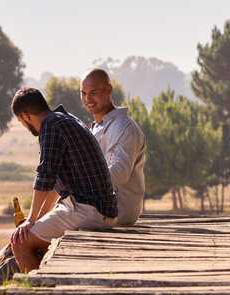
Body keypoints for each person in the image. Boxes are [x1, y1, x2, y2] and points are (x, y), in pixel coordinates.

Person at [9, 87, 118, 272]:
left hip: (87, 209)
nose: (25, 126)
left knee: (21, 243)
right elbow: (54, 185)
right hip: (103, 209)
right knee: (37, 237)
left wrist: (31, 219)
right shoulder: (65, 119)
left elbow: (45, 174)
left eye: (21, 122)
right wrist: (38, 219)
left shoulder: (50, 125)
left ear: (26, 116)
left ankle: (35, 293)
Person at [80, 68, 145, 225]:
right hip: (94, 207)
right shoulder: (96, 127)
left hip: (116, 212)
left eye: (93, 92)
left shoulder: (124, 127)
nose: (87, 98)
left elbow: (119, 173)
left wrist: (81, 185)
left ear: (108, 90)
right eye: (83, 93)